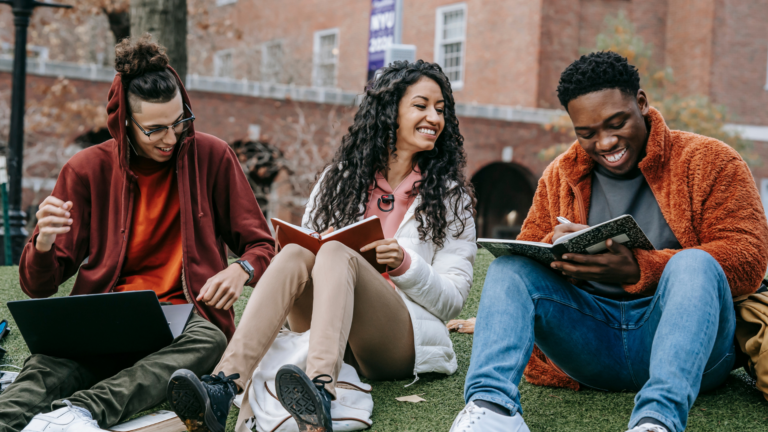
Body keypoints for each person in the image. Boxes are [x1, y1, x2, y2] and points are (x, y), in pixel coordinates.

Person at [451, 51, 768, 432]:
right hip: (591, 343)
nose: (605, 142)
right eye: (586, 133)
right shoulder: (560, 175)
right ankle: (492, 409)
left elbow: (748, 258)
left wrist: (642, 269)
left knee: (695, 263)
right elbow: (529, 249)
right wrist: (556, 245)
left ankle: (657, 420)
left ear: (641, 103)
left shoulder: (711, 161)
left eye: (616, 123)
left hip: (690, 349)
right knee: (509, 268)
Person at [166, 60, 477, 432]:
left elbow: (453, 298)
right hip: (326, 327)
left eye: (441, 110)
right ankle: (223, 385)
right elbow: (306, 254)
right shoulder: (338, 179)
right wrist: (320, 242)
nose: (434, 117)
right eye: (421, 105)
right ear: (388, 112)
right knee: (300, 251)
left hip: (396, 339)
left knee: (334, 252)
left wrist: (405, 264)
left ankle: (320, 390)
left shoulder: (449, 197)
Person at [1, 35, 275, 432]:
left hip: (184, 317)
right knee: (44, 369)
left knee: (212, 341)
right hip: (105, 313)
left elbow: (261, 243)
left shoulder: (213, 156)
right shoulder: (85, 169)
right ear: (125, 123)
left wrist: (241, 270)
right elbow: (37, 286)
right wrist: (42, 243)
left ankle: (80, 413)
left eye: (180, 121)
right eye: (156, 129)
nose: (172, 137)